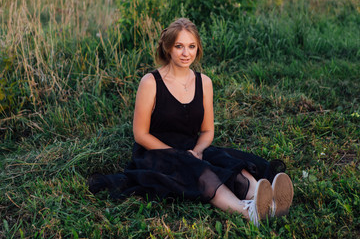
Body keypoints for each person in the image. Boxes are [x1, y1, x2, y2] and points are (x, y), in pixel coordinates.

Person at [88, 18, 294, 227]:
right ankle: (248, 212)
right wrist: (178, 154)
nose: (186, 53)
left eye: (191, 46)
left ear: (198, 49)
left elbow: (207, 130)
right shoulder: (150, 83)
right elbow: (141, 135)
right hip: (155, 154)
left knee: (227, 161)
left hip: (190, 147)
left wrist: (197, 150)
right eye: (179, 46)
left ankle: (263, 196)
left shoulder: (204, 82)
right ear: (167, 48)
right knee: (199, 171)